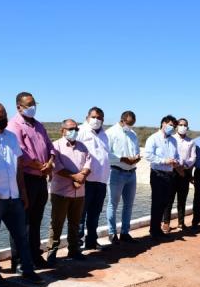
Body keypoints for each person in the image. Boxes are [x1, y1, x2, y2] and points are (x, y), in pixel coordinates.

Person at [0, 102, 43, 287]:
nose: (3, 119)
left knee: (22, 236)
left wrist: (23, 193)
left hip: (15, 198)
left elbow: (18, 168)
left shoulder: (11, 138)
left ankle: (27, 270)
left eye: (4, 115)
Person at [6, 92, 55, 269]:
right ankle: (19, 260)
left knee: (36, 220)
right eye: (29, 104)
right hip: (25, 178)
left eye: (34, 103)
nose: (32, 107)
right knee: (21, 221)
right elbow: (19, 153)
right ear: (19, 106)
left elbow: (50, 146)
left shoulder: (39, 125)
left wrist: (49, 163)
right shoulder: (14, 125)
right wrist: (37, 165)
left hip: (40, 178)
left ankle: (35, 255)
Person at [46, 119, 92, 262]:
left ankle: (74, 250)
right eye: (71, 128)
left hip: (79, 192)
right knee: (57, 223)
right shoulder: (56, 146)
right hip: (61, 192)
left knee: (75, 223)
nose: (74, 131)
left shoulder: (83, 146)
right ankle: (52, 252)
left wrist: (82, 176)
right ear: (63, 130)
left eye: (76, 129)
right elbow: (57, 167)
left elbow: (89, 164)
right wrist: (75, 177)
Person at [77, 107, 110, 250]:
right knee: (80, 215)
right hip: (86, 180)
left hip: (101, 180)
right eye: (94, 116)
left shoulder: (104, 134)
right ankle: (77, 244)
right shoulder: (80, 131)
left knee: (95, 214)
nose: (97, 120)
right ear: (87, 117)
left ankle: (91, 241)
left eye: (100, 118)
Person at [106, 111, 140, 244]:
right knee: (113, 204)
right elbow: (106, 154)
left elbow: (136, 150)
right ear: (122, 120)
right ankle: (112, 233)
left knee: (129, 205)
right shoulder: (111, 133)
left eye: (132, 124)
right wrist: (122, 159)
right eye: (129, 123)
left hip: (132, 172)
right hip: (116, 172)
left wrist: (136, 158)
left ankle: (125, 232)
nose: (130, 126)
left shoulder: (133, 134)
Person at [144, 115, 180, 240]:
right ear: (163, 124)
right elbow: (148, 155)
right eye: (170, 125)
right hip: (157, 174)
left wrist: (176, 161)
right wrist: (164, 161)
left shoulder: (173, 140)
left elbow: (176, 155)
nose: (172, 128)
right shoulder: (153, 138)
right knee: (157, 202)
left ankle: (157, 229)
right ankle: (154, 230)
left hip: (170, 174)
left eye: (174, 126)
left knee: (165, 202)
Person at [162, 118, 195, 231]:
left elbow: (193, 158)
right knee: (169, 199)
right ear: (176, 127)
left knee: (182, 199)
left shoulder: (191, 142)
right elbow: (169, 154)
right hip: (171, 171)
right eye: (180, 124)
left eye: (184, 125)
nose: (182, 126)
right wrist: (177, 166)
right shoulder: (171, 139)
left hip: (184, 173)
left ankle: (181, 223)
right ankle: (166, 222)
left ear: (187, 127)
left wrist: (184, 166)